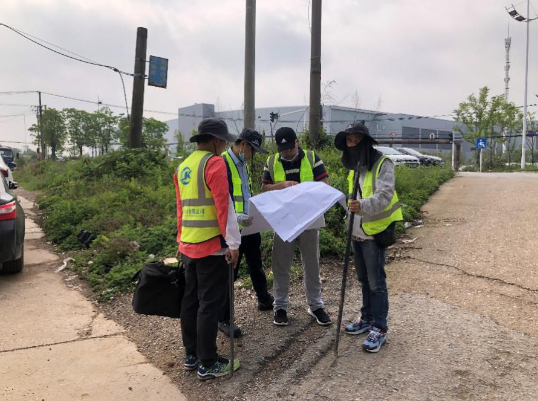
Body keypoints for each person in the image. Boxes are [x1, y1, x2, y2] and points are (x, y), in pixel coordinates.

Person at [174, 118, 241, 380]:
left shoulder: (183, 166)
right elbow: (225, 206)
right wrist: (233, 243)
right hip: (211, 247)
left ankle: (191, 355)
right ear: (214, 140)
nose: (224, 146)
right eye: (223, 141)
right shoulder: (214, 163)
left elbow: (181, 209)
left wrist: (180, 240)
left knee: (190, 301)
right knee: (209, 305)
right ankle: (208, 362)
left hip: (188, 245)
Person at [334, 121, 403, 353]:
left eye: (356, 140)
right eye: (348, 141)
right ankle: (367, 317)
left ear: (365, 142)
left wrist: (362, 205)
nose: (352, 145)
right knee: (363, 279)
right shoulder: (354, 167)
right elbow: (351, 196)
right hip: (356, 232)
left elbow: (385, 195)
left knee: (376, 283)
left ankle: (379, 327)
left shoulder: (383, 163)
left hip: (374, 233)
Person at [261, 127, 331, 327]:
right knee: (280, 264)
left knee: (312, 263)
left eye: (290, 149)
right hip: (284, 221)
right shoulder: (272, 161)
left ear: (297, 142)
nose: (287, 153)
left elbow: (325, 183)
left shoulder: (312, 157)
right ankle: (280, 307)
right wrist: (281, 186)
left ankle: (315, 306)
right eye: (283, 150)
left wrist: (305, 191)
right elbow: (265, 187)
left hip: (309, 218)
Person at [218, 128, 274, 338]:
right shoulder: (223, 163)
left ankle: (264, 299)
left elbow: (244, 194)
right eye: (252, 150)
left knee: (255, 263)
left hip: (248, 226)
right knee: (230, 272)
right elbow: (222, 198)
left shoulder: (243, 165)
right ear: (243, 145)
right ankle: (223, 318)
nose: (253, 155)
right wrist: (235, 217)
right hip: (233, 228)